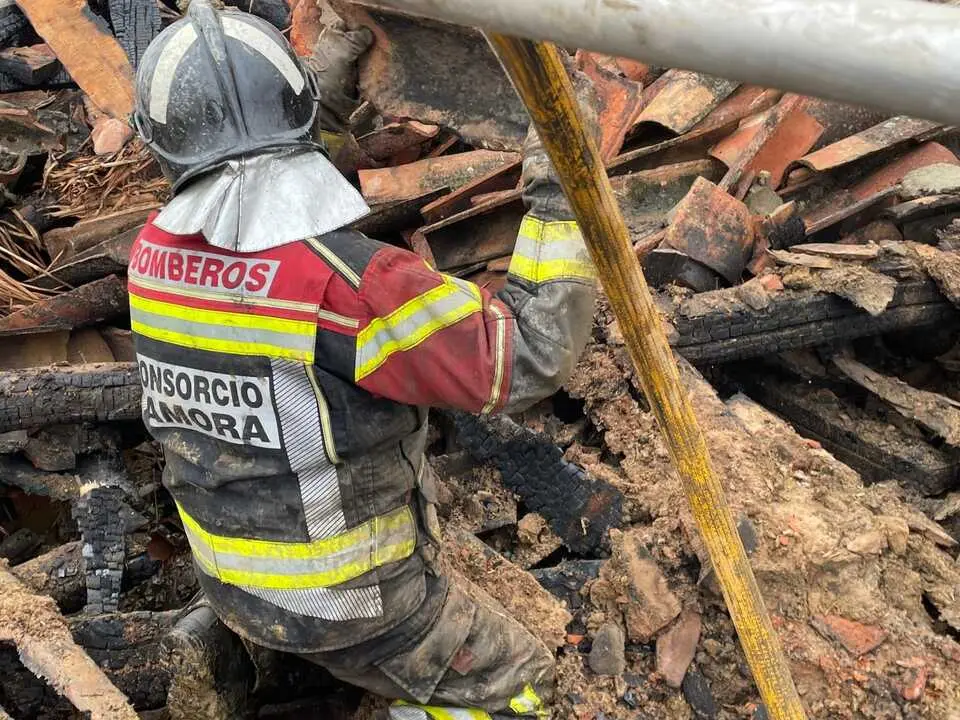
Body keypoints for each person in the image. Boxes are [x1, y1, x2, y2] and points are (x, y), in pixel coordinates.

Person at [129, 1, 596, 717]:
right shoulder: (349, 285)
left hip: (231, 576)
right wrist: (562, 185)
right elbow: (527, 358)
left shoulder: (151, 258)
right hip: (354, 604)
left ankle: (269, 660)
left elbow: (261, 176)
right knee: (523, 685)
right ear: (295, 114)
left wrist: (337, 72)